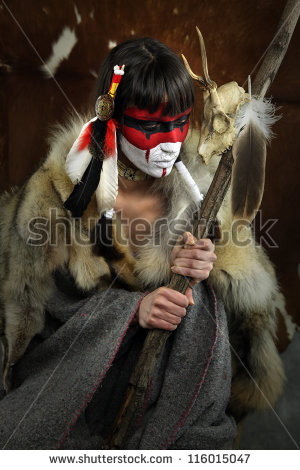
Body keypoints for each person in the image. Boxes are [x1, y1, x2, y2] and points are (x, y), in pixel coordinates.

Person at [0, 37, 284, 450]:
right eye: (151, 126)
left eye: (180, 121)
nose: (170, 139)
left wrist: (205, 265)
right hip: (84, 383)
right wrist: (132, 310)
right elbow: (39, 306)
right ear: (110, 114)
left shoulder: (202, 190)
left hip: (169, 386)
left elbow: (243, 293)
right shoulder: (60, 193)